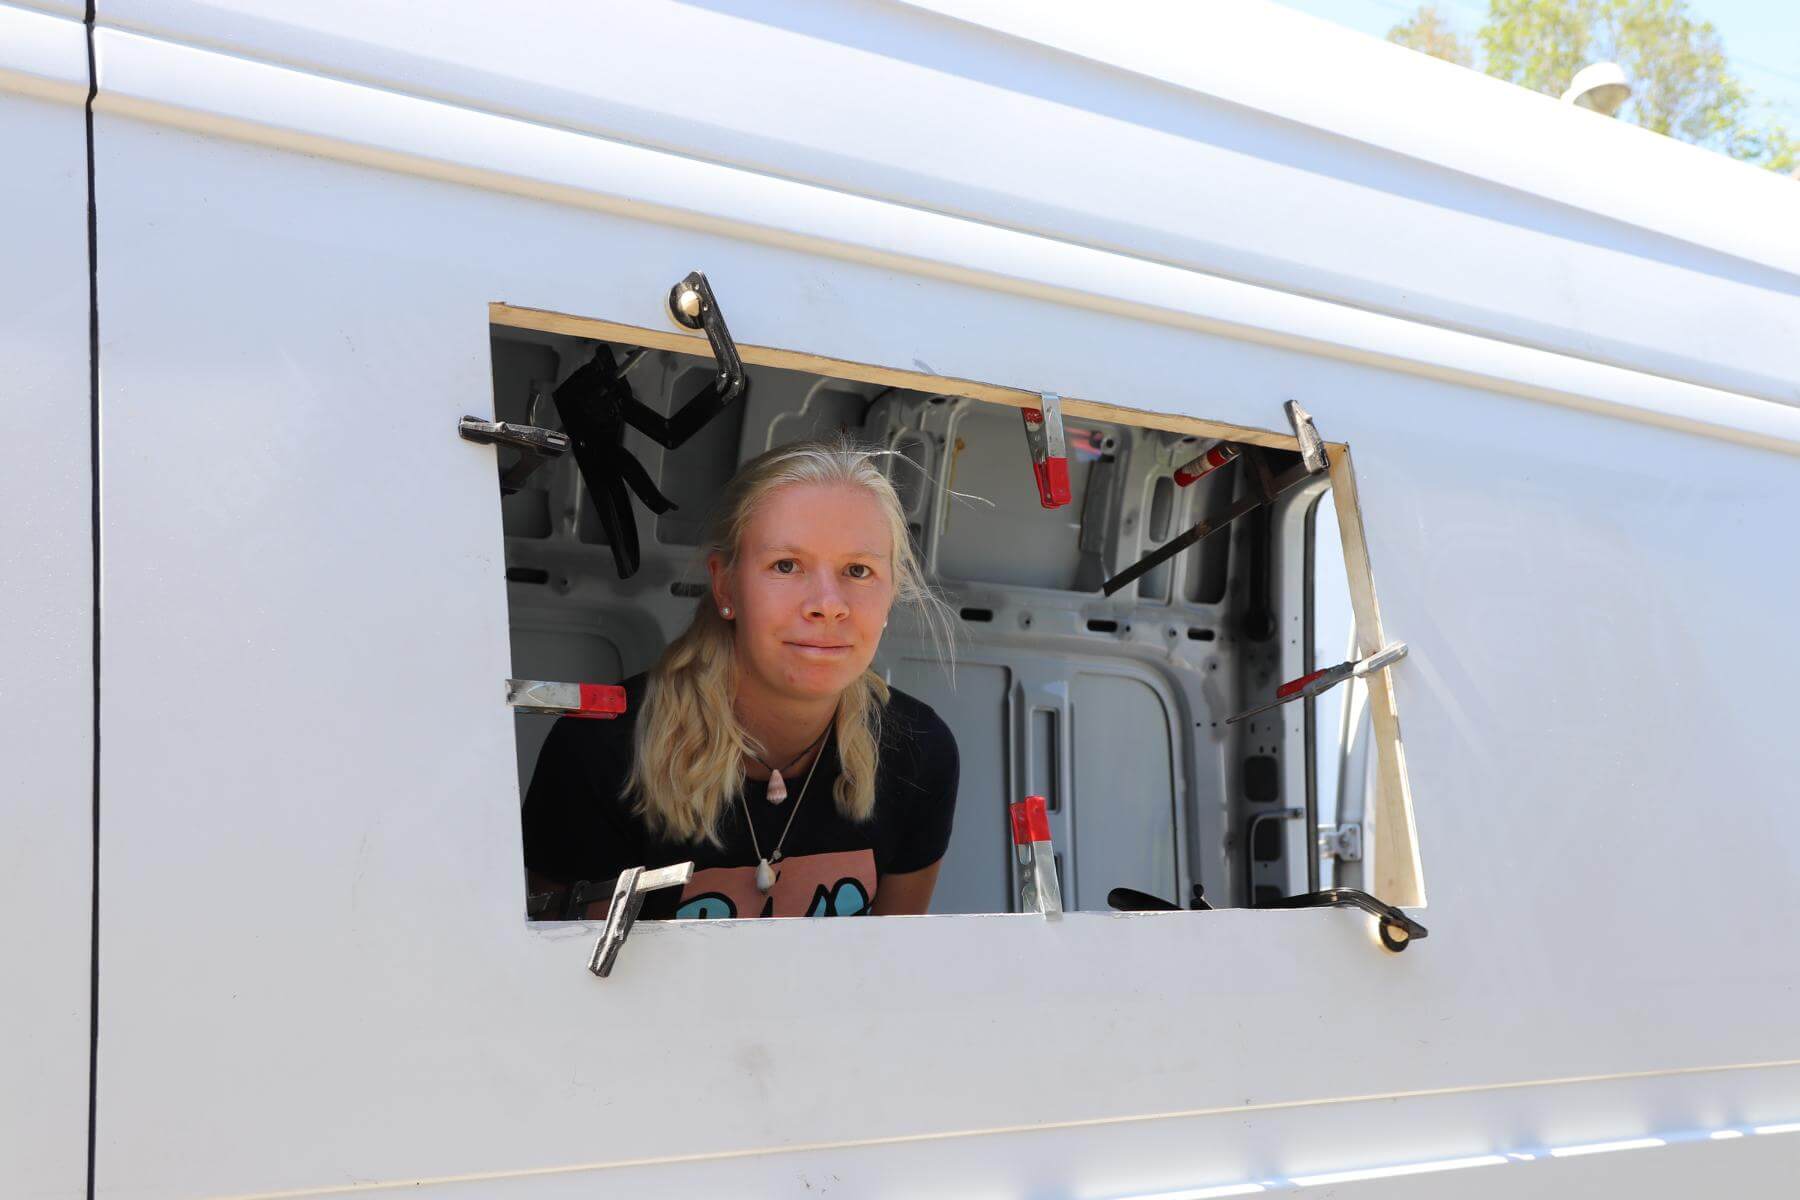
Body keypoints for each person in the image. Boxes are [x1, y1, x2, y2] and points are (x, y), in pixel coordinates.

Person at [523, 438, 959, 920]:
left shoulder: (919, 752)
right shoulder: (600, 748)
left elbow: (889, 970)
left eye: (858, 570)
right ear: (725, 584)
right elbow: (566, 977)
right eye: (786, 565)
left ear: (892, 592)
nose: (828, 603)